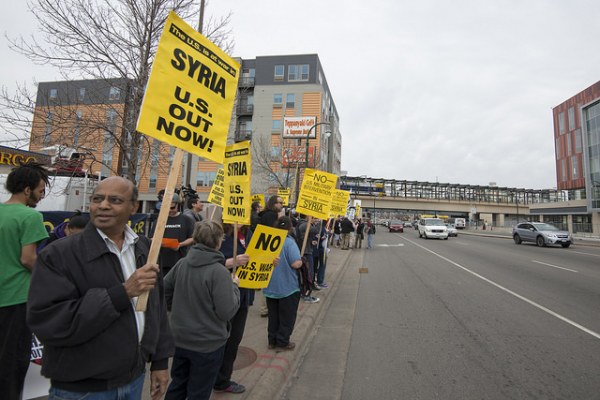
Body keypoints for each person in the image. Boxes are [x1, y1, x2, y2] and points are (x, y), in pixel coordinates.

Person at [27, 176, 174, 400]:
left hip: (134, 380)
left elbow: (157, 307)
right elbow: (48, 322)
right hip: (82, 388)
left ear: (134, 207)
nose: (103, 205)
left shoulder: (143, 247)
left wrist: (160, 362)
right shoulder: (58, 254)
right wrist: (121, 293)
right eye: (97, 199)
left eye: (115, 200)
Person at [164, 220, 240, 400]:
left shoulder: (182, 263)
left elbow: (165, 290)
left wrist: (177, 309)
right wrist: (234, 286)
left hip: (181, 340)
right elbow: (227, 311)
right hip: (208, 344)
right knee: (199, 391)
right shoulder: (218, 272)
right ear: (218, 242)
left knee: (177, 385)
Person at [0, 161, 49, 400]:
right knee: (12, 364)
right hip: (16, 299)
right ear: (27, 190)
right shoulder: (31, 217)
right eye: (40, 190)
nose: (41, 196)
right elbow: (28, 259)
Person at [213, 223, 253, 394]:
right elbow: (207, 260)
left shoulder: (250, 234)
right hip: (224, 296)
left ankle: (222, 380)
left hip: (243, 296)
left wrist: (269, 261)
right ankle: (212, 378)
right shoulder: (219, 233)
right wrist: (229, 262)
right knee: (219, 341)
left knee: (233, 341)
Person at [264, 216, 303, 352]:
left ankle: (272, 341)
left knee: (273, 316)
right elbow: (295, 263)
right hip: (287, 286)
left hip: (270, 286)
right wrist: (301, 260)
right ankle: (282, 342)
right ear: (289, 227)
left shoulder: (268, 240)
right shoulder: (289, 242)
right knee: (286, 317)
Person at [150, 193, 194, 277]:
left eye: (173, 207)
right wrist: (160, 242)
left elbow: (192, 238)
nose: (170, 210)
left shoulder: (185, 220)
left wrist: (180, 245)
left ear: (178, 205)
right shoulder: (160, 220)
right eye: (168, 208)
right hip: (161, 263)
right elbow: (151, 238)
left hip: (179, 262)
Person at [295, 215, 320, 303]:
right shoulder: (305, 224)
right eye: (314, 218)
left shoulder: (300, 224)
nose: (316, 220)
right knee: (309, 273)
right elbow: (316, 230)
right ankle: (307, 294)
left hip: (304, 249)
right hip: (306, 251)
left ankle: (304, 292)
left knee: (304, 273)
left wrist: (310, 241)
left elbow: (306, 236)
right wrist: (317, 223)